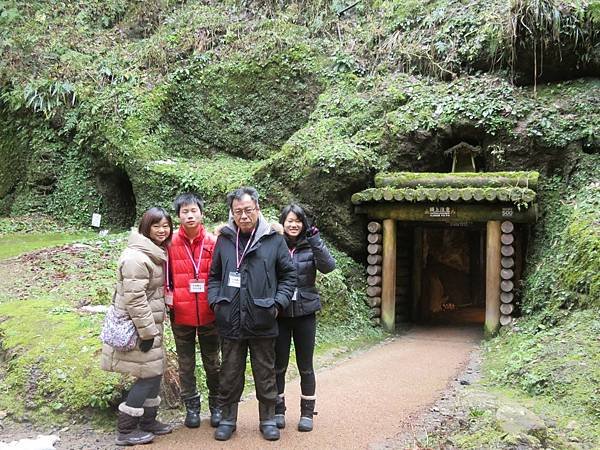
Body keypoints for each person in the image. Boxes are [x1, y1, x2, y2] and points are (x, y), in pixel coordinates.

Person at [208, 187, 296, 442]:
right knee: (230, 372)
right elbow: (214, 276)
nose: (244, 216)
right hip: (230, 318)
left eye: (248, 210)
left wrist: (277, 304)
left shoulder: (273, 239)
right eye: (238, 211)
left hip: (262, 317)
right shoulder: (225, 239)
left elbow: (288, 275)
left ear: (258, 209)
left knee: (265, 371)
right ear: (232, 213)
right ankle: (227, 419)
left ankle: (267, 418)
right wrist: (216, 302)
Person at [101, 207, 174, 446]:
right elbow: (135, 299)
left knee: (153, 372)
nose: (162, 230)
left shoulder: (152, 252)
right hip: (138, 328)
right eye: (157, 226)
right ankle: (126, 429)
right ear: (146, 227)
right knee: (147, 376)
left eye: (166, 226)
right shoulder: (137, 258)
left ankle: (148, 421)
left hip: (149, 325)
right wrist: (147, 333)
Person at [274, 204, 336, 432]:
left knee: (305, 366)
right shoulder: (275, 244)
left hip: (305, 313)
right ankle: (278, 410)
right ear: (283, 222)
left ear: (304, 223)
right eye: (289, 220)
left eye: (298, 221)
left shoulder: (311, 245)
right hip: (280, 314)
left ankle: (307, 413)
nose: (293, 225)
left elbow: (328, 266)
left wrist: (314, 239)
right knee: (277, 366)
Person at [167, 193, 221, 428]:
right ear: (178, 216)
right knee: (186, 363)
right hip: (180, 313)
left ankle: (217, 406)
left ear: (201, 213)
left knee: (213, 362)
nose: (189, 215)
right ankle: (192, 408)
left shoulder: (213, 242)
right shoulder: (169, 244)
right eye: (184, 212)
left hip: (210, 313)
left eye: (193, 211)